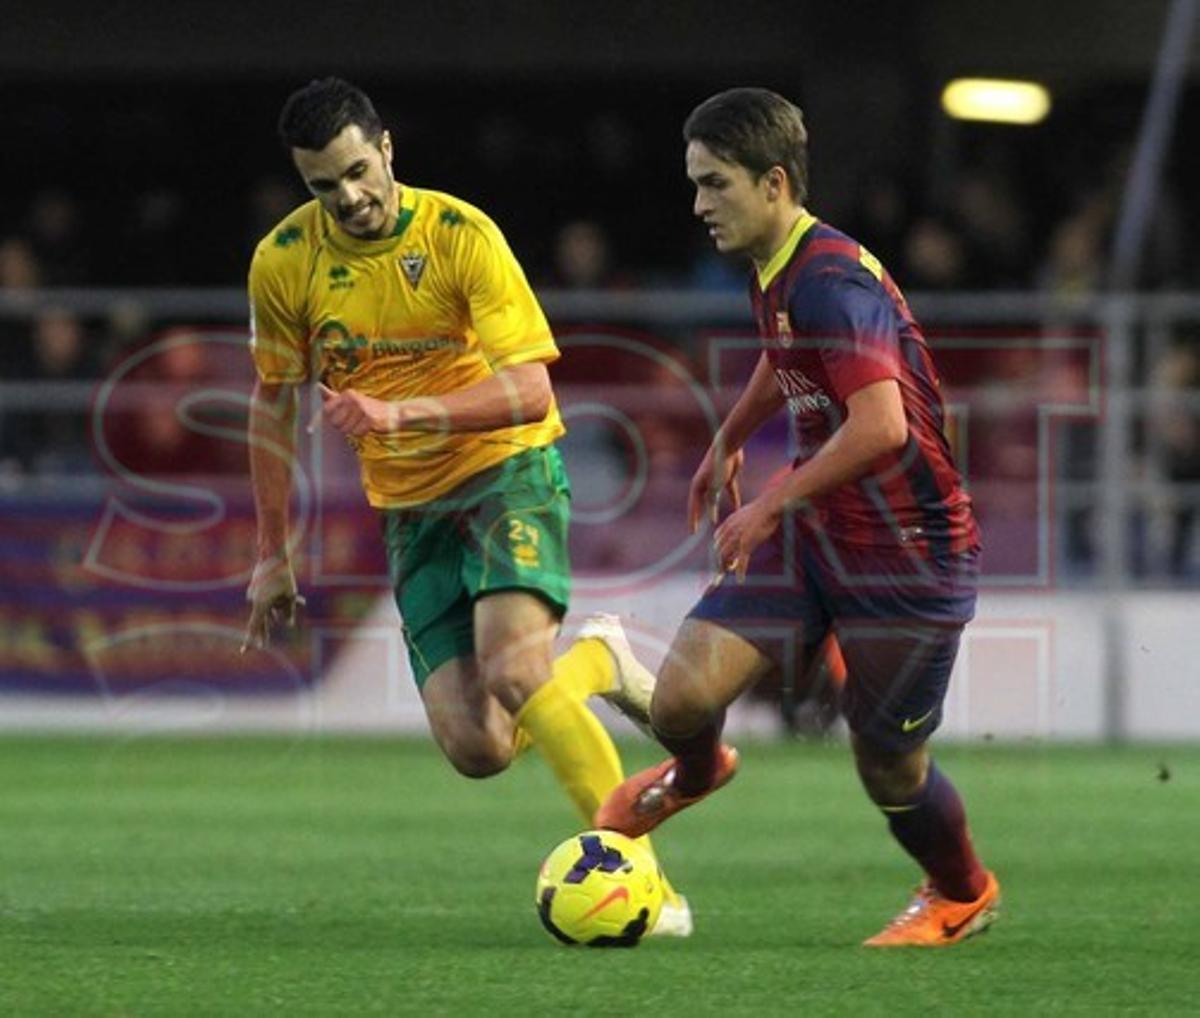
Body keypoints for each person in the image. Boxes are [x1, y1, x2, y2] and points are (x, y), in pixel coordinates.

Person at [241, 77, 691, 936]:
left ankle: (643, 883)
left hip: (505, 473)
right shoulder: (284, 261)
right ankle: (596, 663)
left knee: (515, 669)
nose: (349, 196)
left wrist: (399, 414)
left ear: (386, 149)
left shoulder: (460, 235)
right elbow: (271, 405)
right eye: (324, 185)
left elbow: (529, 390)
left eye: (358, 171)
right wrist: (272, 551)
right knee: (478, 748)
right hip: (410, 510)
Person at [597, 88, 999, 947]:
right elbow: (788, 357)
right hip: (819, 533)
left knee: (887, 765)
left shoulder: (831, 282)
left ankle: (961, 892)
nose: (699, 204)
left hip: (907, 553)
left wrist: (769, 502)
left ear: (773, 183)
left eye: (715, 184)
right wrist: (730, 439)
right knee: (681, 700)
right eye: (696, 183)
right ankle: (696, 773)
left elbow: (883, 426)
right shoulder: (779, 265)